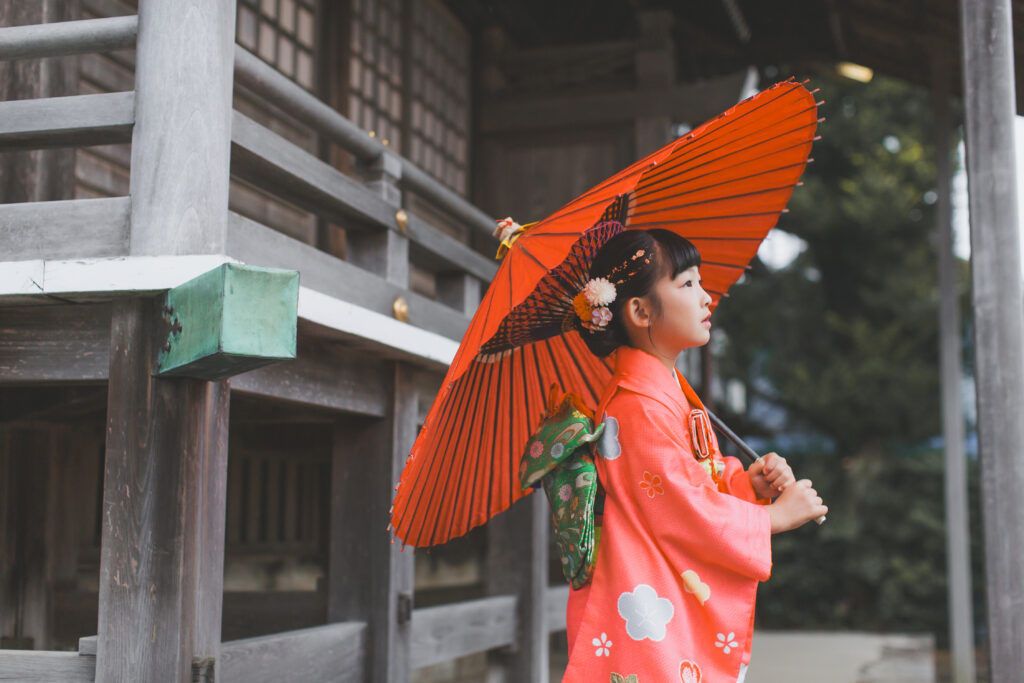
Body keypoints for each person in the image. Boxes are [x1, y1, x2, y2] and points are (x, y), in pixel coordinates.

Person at [561, 228, 828, 683]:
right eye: (687, 284)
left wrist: (747, 485)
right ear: (641, 311)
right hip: (642, 603)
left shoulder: (662, 392)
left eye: (701, 283)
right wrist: (771, 519)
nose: (706, 299)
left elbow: (689, 481)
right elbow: (683, 508)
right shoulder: (637, 405)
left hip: (652, 593)